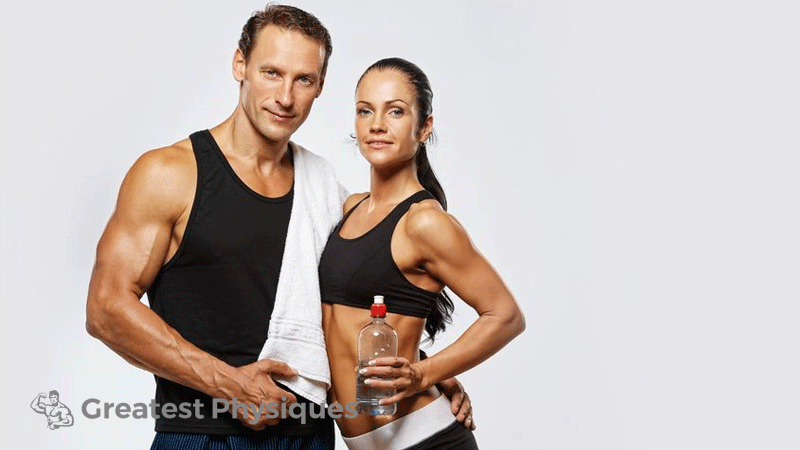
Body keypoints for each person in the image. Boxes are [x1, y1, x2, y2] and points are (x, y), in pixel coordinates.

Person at [85, 5, 472, 450]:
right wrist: (229, 384)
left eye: (303, 79)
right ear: (240, 66)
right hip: (203, 434)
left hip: (311, 435)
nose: (285, 97)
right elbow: (106, 309)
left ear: (320, 87)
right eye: (272, 72)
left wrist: (419, 369)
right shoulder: (170, 174)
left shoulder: (323, 187)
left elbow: (343, 301)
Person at [319, 57, 526, 450]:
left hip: (428, 441)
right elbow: (360, 324)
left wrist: (424, 373)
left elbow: (506, 316)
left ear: (424, 127)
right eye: (365, 111)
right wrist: (427, 364)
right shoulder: (351, 209)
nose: (376, 124)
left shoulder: (424, 223)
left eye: (395, 111)